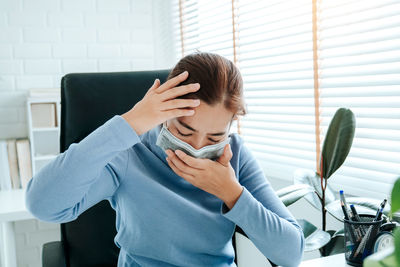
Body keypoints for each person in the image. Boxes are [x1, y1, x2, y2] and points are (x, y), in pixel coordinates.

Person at [25, 52, 305, 267]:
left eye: (213, 137)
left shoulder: (235, 156)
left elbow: (290, 253)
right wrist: (130, 123)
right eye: (184, 130)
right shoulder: (129, 153)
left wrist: (231, 192)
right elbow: (44, 205)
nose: (196, 148)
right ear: (164, 113)